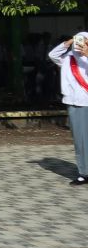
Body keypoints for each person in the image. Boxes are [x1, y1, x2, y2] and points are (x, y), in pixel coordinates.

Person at [49, 33, 88, 185]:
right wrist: (68, 42)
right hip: (72, 102)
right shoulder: (68, 58)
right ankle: (83, 173)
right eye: (78, 41)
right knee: (80, 140)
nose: (80, 44)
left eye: (83, 41)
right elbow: (52, 55)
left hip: (87, 102)